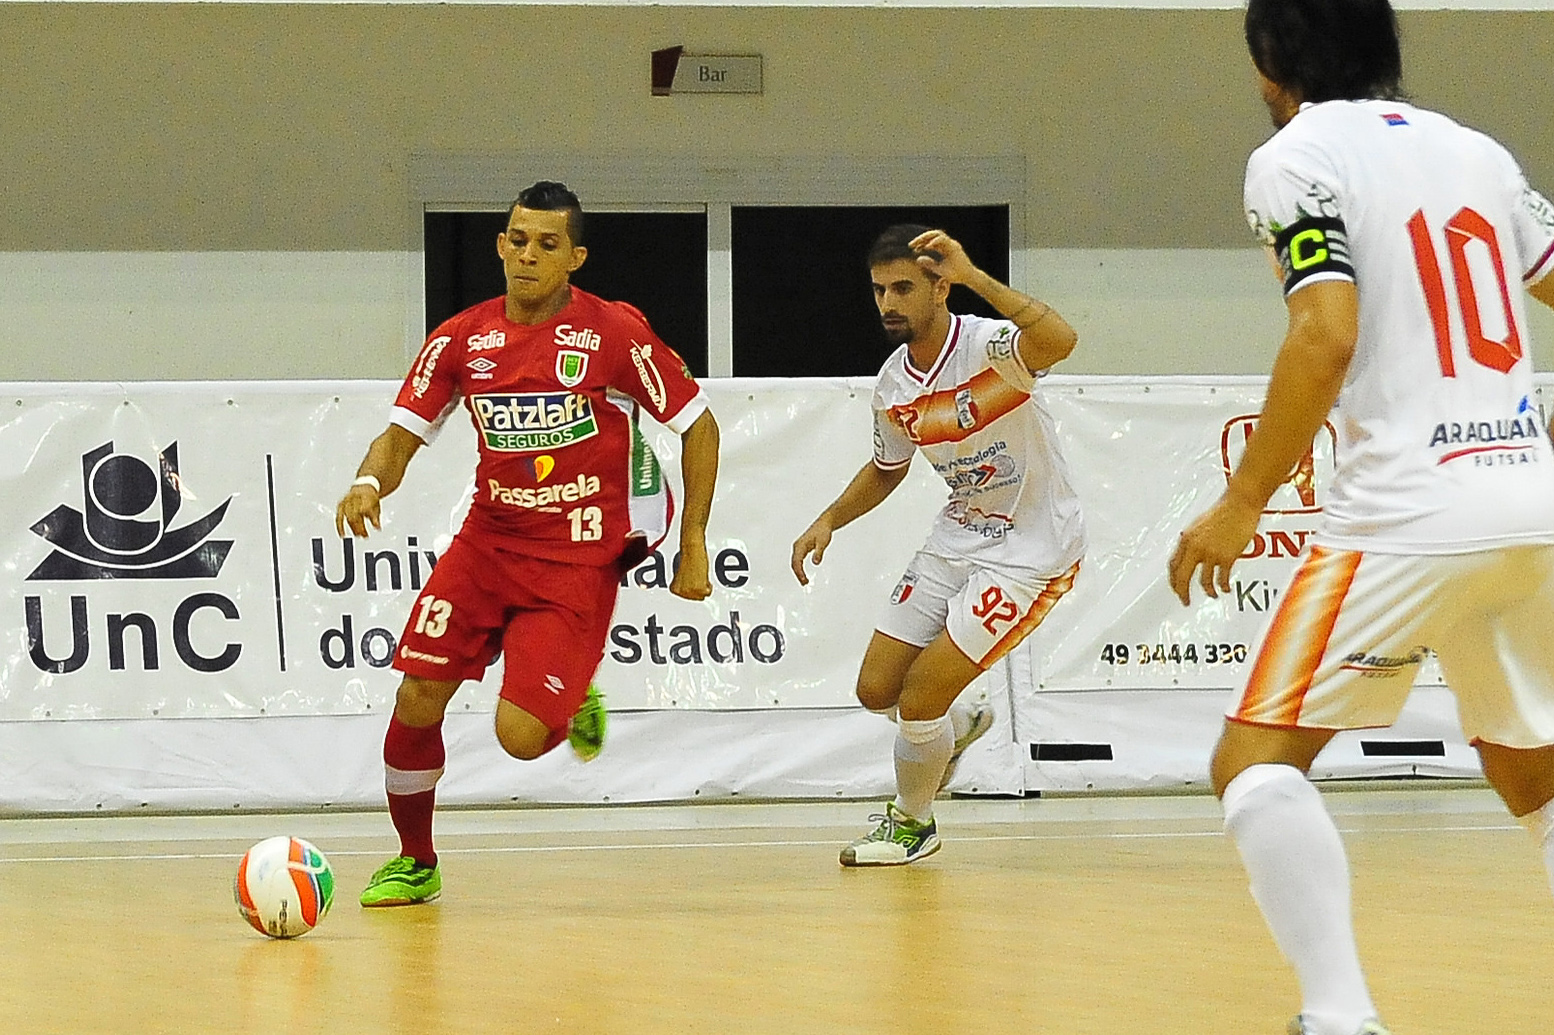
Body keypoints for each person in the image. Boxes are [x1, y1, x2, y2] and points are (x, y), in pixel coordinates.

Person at [1167, 1, 1554, 1032]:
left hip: (1402, 513)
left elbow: (1324, 335)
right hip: (1529, 504)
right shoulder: (1478, 151)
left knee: (1252, 769)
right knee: (1537, 777)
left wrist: (1242, 500)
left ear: (1270, 58)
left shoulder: (1295, 156)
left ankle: (1340, 1017)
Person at [336, 181, 720, 906]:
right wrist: (367, 482)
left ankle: (569, 701)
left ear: (575, 257)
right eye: (517, 240)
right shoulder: (461, 338)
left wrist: (694, 539)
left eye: (547, 244)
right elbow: (401, 433)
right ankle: (416, 860)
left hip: (576, 559)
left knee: (518, 737)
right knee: (417, 693)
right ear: (499, 245)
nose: (528, 255)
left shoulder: (613, 332)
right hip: (488, 543)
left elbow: (699, 424)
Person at [791, 224, 1085, 866]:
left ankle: (912, 823)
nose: (888, 303)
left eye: (903, 288)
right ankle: (957, 729)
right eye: (879, 290)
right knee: (877, 691)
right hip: (958, 536)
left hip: (1030, 554)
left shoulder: (989, 346)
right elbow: (887, 468)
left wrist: (975, 275)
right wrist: (829, 519)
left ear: (939, 288)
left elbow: (1060, 340)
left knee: (922, 696)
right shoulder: (894, 384)